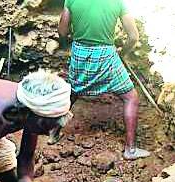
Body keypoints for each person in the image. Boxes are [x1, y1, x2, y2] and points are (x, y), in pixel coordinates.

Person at [54, 0, 150, 160]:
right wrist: (122, 53)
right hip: (106, 54)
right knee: (130, 97)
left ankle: (53, 132)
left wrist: (71, 46)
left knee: (72, 93)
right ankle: (130, 150)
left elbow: (62, 32)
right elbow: (133, 37)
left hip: (80, 52)